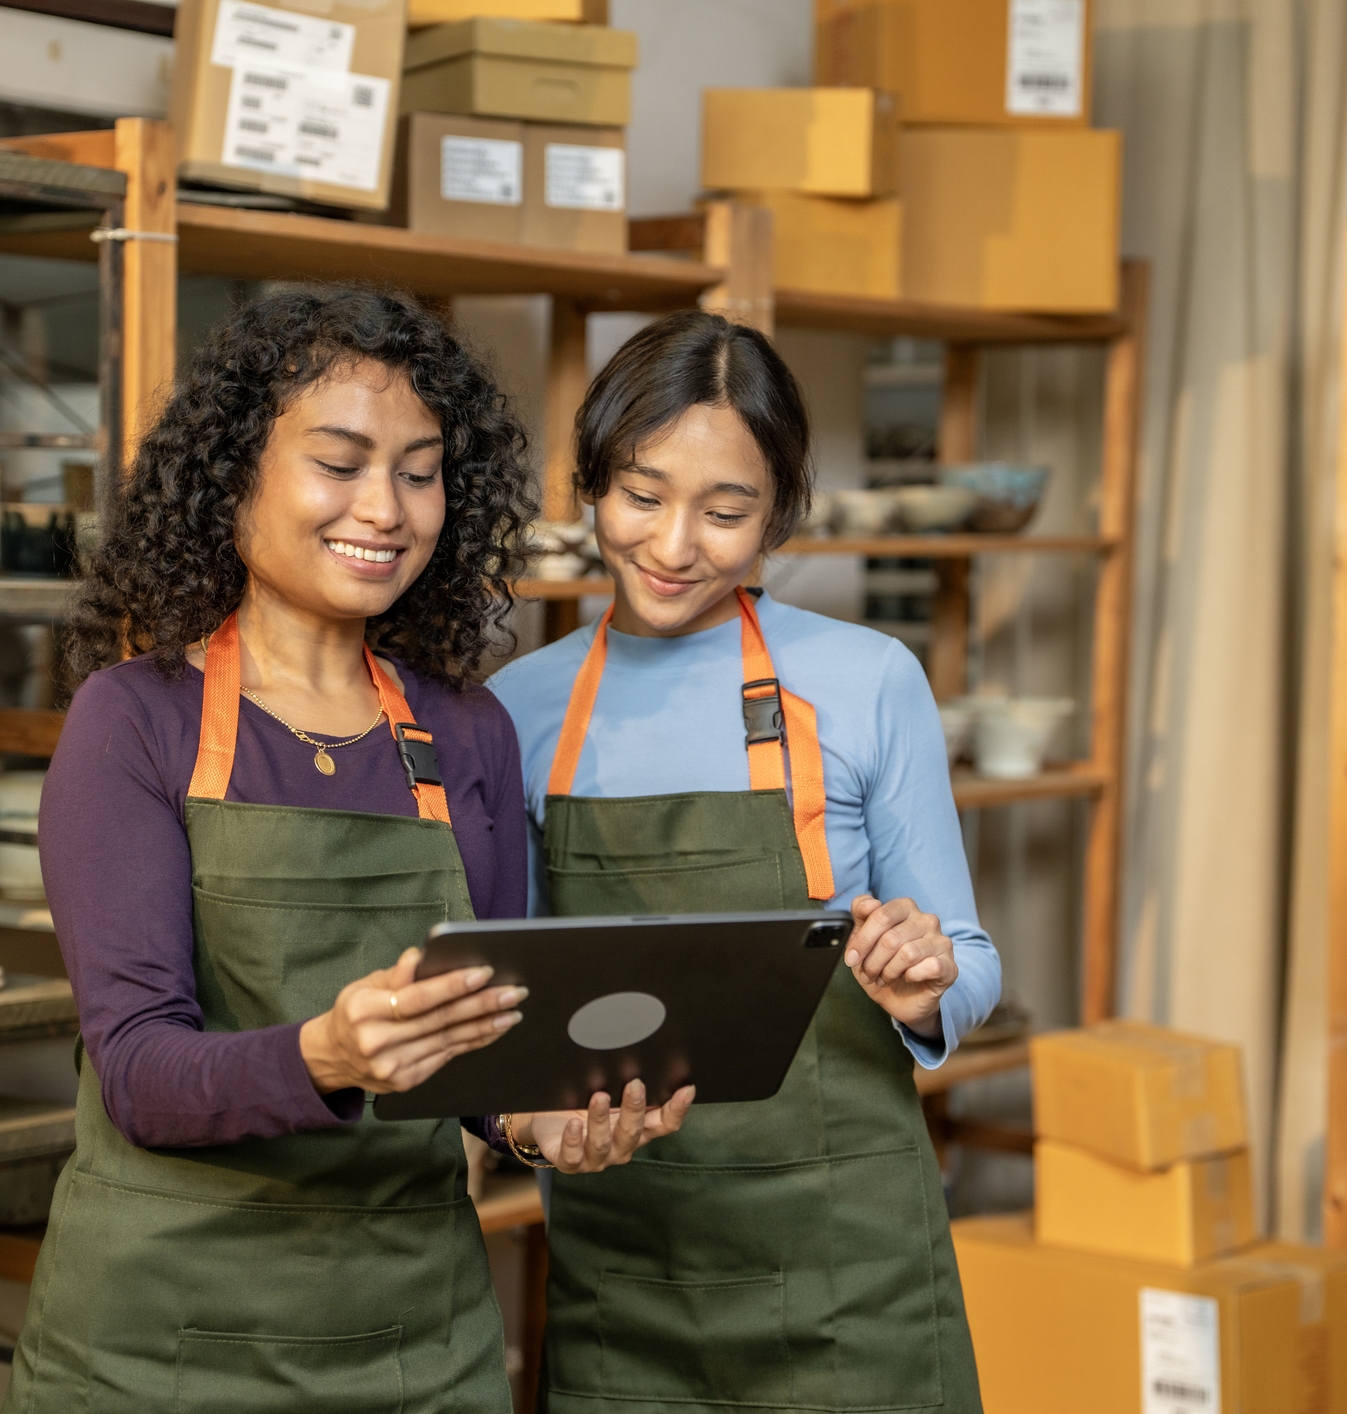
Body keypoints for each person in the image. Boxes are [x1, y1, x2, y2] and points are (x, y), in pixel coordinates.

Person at [4, 288, 690, 1414]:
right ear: (236, 477)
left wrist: (543, 1121)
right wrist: (325, 1052)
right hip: (160, 1345)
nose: (387, 507)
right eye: (340, 462)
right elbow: (135, 1071)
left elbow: (490, 1051)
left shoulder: (468, 732)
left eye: (419, 472)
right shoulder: (136, 721)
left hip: (415, 1343)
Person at [488, 310, 997, 1412]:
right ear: (590, 483)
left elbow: (968, 954)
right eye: (642, 495)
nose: (674, 546)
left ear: (779, 514)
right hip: (627, 1274)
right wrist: (534, 1118)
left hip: (849, 1283)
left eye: (726, 511)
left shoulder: (868, 679)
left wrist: (925, 982)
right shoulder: (518, 712)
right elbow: (512, 1003)